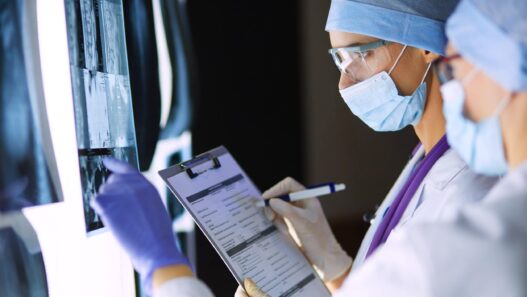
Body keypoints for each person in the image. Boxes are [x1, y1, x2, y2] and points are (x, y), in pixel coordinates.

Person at [92, 0, 502, 296]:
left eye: (360, 55)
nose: (345, 83)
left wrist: (165, 267)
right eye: (338, 61)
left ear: (427, 47)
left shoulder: (470, 195)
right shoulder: (425, 160)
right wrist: (332, 262)